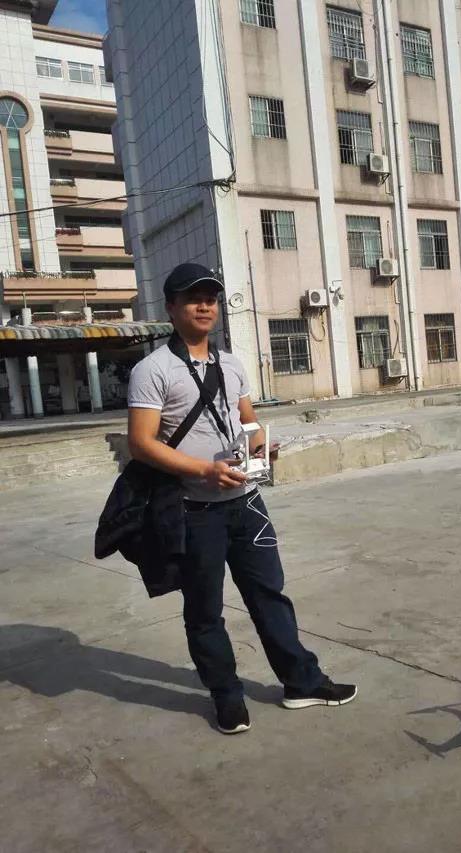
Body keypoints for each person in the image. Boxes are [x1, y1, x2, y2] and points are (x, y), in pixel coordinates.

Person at [126, 263, 357, 734]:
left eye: (211, 298)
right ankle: (227, 697)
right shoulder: (152, 370)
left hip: (247, 504)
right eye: (193, 298)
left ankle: (302, 682)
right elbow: (141, 443)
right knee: (205, 610)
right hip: (193, 510)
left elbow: (247, 420)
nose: (205, 306)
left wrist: (260, 446)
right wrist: (204, 470)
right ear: (171, 307)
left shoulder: (230, 364)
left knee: (269, 594)